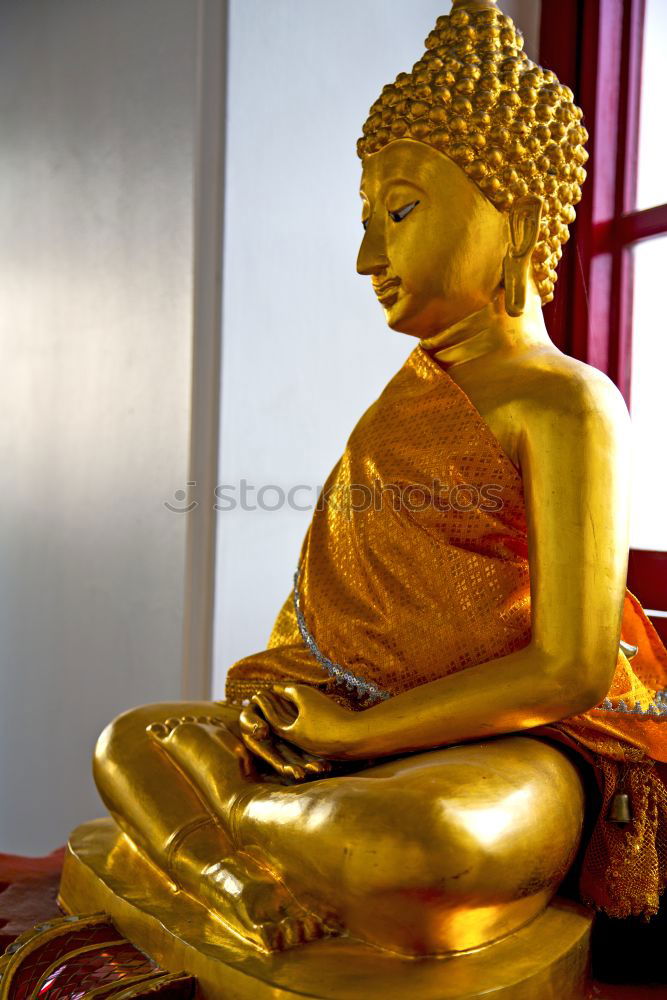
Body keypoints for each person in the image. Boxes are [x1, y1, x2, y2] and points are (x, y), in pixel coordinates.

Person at [93, 0, 667, 958]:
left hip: (516, 745)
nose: (368, 259)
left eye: (398, 214)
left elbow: (566, 670)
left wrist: (355, 742)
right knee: (130, 741)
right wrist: (325, 728)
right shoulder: (414, 394)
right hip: (354, 719)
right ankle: (234, 869)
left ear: (514, 210)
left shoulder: (565, 403)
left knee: (418, 843)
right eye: (367, 222)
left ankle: (202, 840)